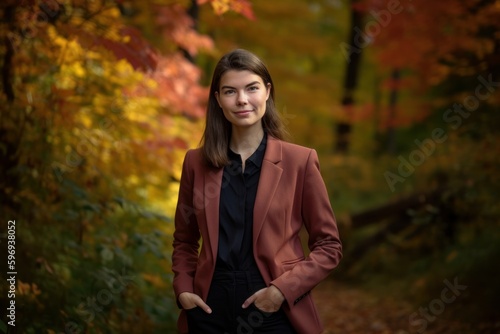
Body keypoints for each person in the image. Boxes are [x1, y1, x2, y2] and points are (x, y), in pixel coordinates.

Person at [171, 49, 342, 334]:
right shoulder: (195, 162)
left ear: (267, 92)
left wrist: (281, 291)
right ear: (217, 99)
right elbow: (185, 240)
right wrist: (184, 289)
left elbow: (329, 246)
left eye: (252, 88)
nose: (242, 100)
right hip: (207, 308)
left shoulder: (300, 161)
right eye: (230, 91)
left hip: (274, 308)